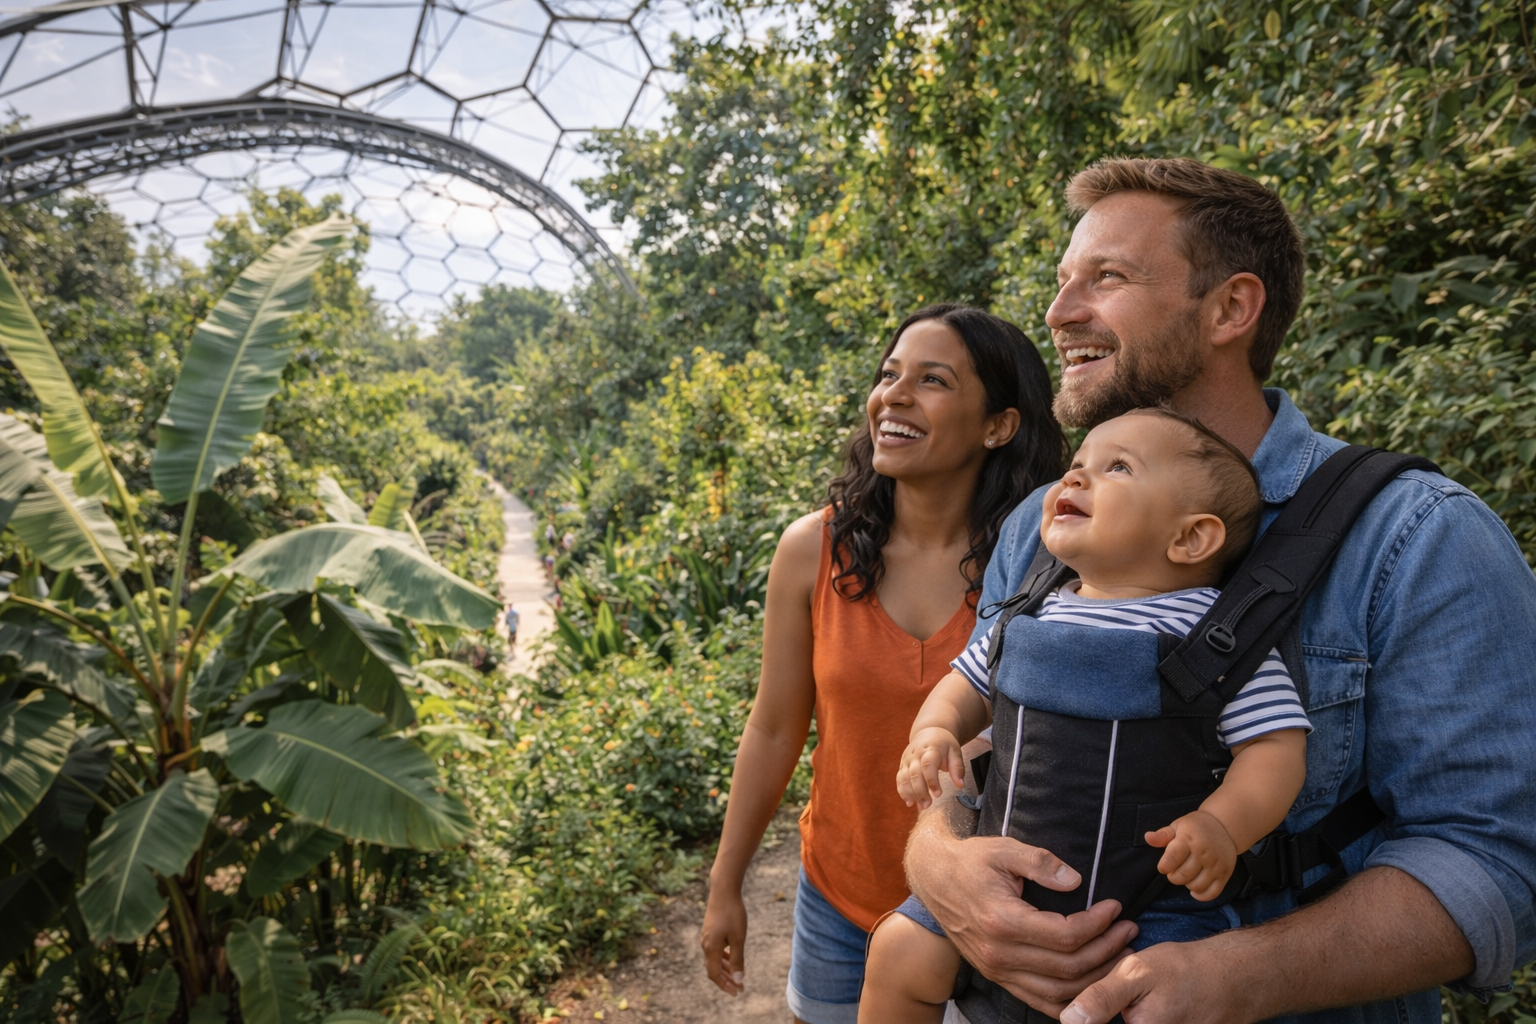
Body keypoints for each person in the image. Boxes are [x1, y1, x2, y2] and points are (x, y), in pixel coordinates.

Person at [901, 158, 1536, 1024]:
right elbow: (989, 745)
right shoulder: (1037, 529)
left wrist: (1239, 976)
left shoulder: (1422, 538)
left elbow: (1498, 861)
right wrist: (936, 859)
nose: (1057, 315)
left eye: (1107, 278)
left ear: (1231, 309)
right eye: (1061, 283)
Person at [860, 408, 1310, 1024]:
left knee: (1142, 1007)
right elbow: (966, 685)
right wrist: (934, 732)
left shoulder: (1214, 634)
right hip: (1003, 878)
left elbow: (1276, 747)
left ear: (1190, 538)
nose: (1071, 481)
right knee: (898, 950)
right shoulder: (1034, 609)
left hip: (1143, 907)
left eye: (1116, 468)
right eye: (1075, 467)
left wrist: (1223, 827)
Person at [699, 305, 1068, 1024]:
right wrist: (725, 883)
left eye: (932, 380)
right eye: (888, 375)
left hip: (981, 913)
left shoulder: (1046, 566)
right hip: (837, 897)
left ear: (999, 425)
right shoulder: (814, 550)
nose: (892, 396)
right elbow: (775, 730)